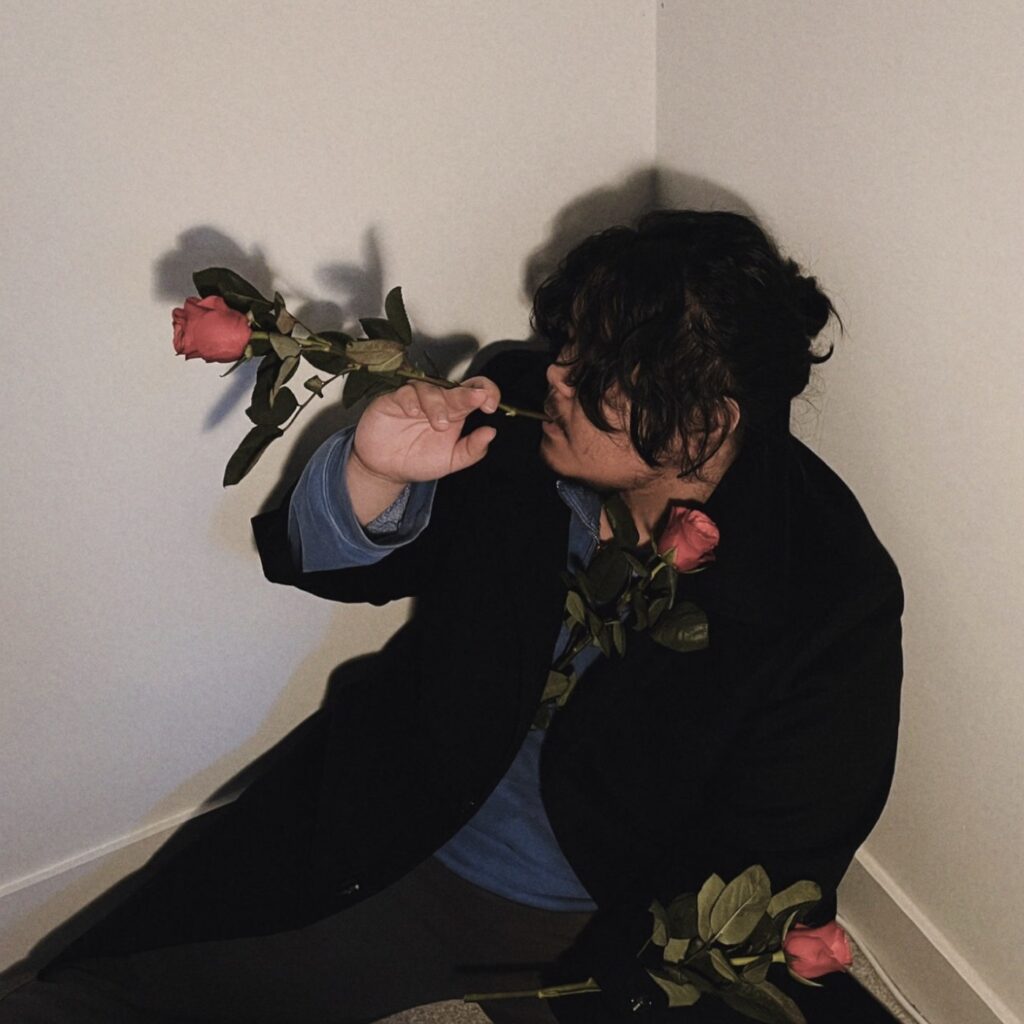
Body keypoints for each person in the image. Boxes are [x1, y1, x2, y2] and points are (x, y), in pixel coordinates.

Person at [0, 210, 903, 1023]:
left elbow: (775, 861)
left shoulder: (829, 597)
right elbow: (326, 563)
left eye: (595, 370)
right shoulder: (513, 412)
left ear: (701, 426)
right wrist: (375, 472)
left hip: (598, 916)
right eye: (567, 343)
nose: (557, 374)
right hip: (394, 824)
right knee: (89, 998)